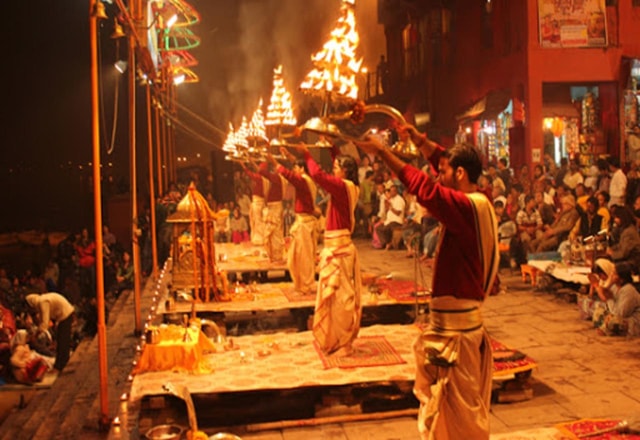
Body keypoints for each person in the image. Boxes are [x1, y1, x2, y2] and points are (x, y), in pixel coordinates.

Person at [355, 125, 499, 439]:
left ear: (460, 173)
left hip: (457, 336)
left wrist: (383, 153)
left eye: (443, 171)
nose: (438, 174)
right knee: (446, 414)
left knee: (458, 420)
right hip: (454, 328)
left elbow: (425, 189)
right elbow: (441, 166)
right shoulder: (478, 200)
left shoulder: (466, 206)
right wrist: (420, 140)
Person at [290, 143, 361, 357]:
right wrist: (331, 147)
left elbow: (319, 175)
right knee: (332, 300)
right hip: (334, 247)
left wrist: (307, 154)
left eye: (337, 167)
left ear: (346, 171)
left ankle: (345, 343)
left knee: (341, 300)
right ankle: (335, 340)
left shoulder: (343, 187)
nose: (334, 169)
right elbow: (333, 165)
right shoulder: (346, 186)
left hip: (339, 250)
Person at [269, 150, 319, 295]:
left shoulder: (304, 181)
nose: (294, 170)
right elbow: (294, 172)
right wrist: (288, 155)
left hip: (304, 224)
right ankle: (302, 284)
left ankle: (307, 285)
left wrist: (273, 160)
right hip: (301, 223)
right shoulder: (305, 180)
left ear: (302, 170)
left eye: (297, 168)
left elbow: (289, 176)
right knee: (294, 257)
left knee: (304, 258)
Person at [25, 292, 75, 372]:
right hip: (61, 316)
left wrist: (36, 334)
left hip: (65, 314)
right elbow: (42, 321)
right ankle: (60, 364)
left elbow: (45, 322)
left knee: (63, 341)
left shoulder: (42, 302)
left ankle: (61, 365)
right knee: (61, 340)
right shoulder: (40, 302)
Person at [591, 261, 640, 337]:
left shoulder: (628, 290)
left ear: (621, 279)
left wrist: (609, 299)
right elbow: (608, 304)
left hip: (633, 322)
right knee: (598, 312)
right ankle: (608, 328)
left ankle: (610, 330)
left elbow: (620, 314)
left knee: (613, 320)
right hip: (618, 315)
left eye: (614, 274)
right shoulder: (615, 287)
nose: (611, 275)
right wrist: (607, 286)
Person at [241, 162, 269, 246]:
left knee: (257, 221)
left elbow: (250, 174)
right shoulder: (266, 179)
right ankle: (260, 238)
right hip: (260, 202)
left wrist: (243, 165)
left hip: (258, 203)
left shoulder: (260, 178)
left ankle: (260, 239)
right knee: (257, 221)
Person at [374, 181, 406, 250]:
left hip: (396, 221)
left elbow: (398, 212)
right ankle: (386, 243)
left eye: (392, 191)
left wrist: (390, 207)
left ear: (395, 192)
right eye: (390, 191)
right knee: (378, 228)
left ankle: (389, 243)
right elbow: (387, 211)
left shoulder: (399, 200)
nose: (390, 193)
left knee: (386, 228)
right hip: (389, 220)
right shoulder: (391, 199)